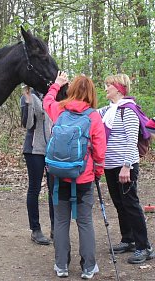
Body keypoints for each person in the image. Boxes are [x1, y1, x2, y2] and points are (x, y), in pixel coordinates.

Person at [43, 72, 106, 279]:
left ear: (71, 90)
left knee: (61, 221)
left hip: (58, 176)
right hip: (83, 177)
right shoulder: (94, 116)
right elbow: (99, 151)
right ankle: (88, 267)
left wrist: (56, 84)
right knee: (85, 222)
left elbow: (47, 101)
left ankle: (61, 266)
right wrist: (97, 172)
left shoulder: (60, 109)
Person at [97, 74, 155, 264]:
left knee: (131, 204)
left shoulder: (127, 111)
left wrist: (126, 167)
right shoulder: (109, 110)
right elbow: (88, 114)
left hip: (125, 166)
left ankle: (144, 247)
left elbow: (131, 142)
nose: (105, 88)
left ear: (119, 88)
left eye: (108, 86)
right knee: (120, 204)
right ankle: (128, 239)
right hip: (110, 165)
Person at [20, 85, 54, 245]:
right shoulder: (29, 96)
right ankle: (35, 230)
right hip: (34, 150)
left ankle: (56, 227)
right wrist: (27, 102)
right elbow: (27, 124)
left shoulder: (52, 95)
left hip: (52, 151)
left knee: (54, 189)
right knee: (34, 189)